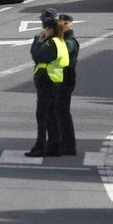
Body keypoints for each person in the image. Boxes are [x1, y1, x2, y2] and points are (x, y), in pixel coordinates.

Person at [26, 11, 70, 158]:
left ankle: (40, 146)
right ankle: (54, 146)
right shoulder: (60, 41)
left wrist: (38, 41)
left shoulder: (51, 43)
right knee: (52, 115)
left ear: (48, 27)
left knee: (42, 115)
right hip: (56, 81)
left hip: (48, 82)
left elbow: (36, 56)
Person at [57, 14, 79, 156]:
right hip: (60, 79)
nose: (63, 26)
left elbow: (60, 52)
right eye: (61, 23)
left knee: (63, 112)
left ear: (71, 25)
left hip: (66, 80)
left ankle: (69, 145)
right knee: (58, 112)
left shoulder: (70, 41)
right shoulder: (63, 39)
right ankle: (62, 141)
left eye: (66, 23)